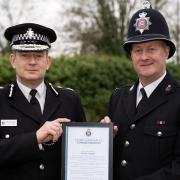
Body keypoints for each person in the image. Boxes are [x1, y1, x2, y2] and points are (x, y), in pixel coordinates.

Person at [101, 1, 180, 180]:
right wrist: (103, 140)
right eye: (137, 50)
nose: (144, 57)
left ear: (166, 52)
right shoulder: (118, 97)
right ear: (131, 55)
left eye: (151, 49)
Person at [0, 23, 85, 180]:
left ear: (48, 61)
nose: (32, 62)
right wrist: (35, 138)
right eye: (25, 55)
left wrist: (102, 134)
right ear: (13, 60)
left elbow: (82, 151)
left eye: (39, 55)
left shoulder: (70, 100)